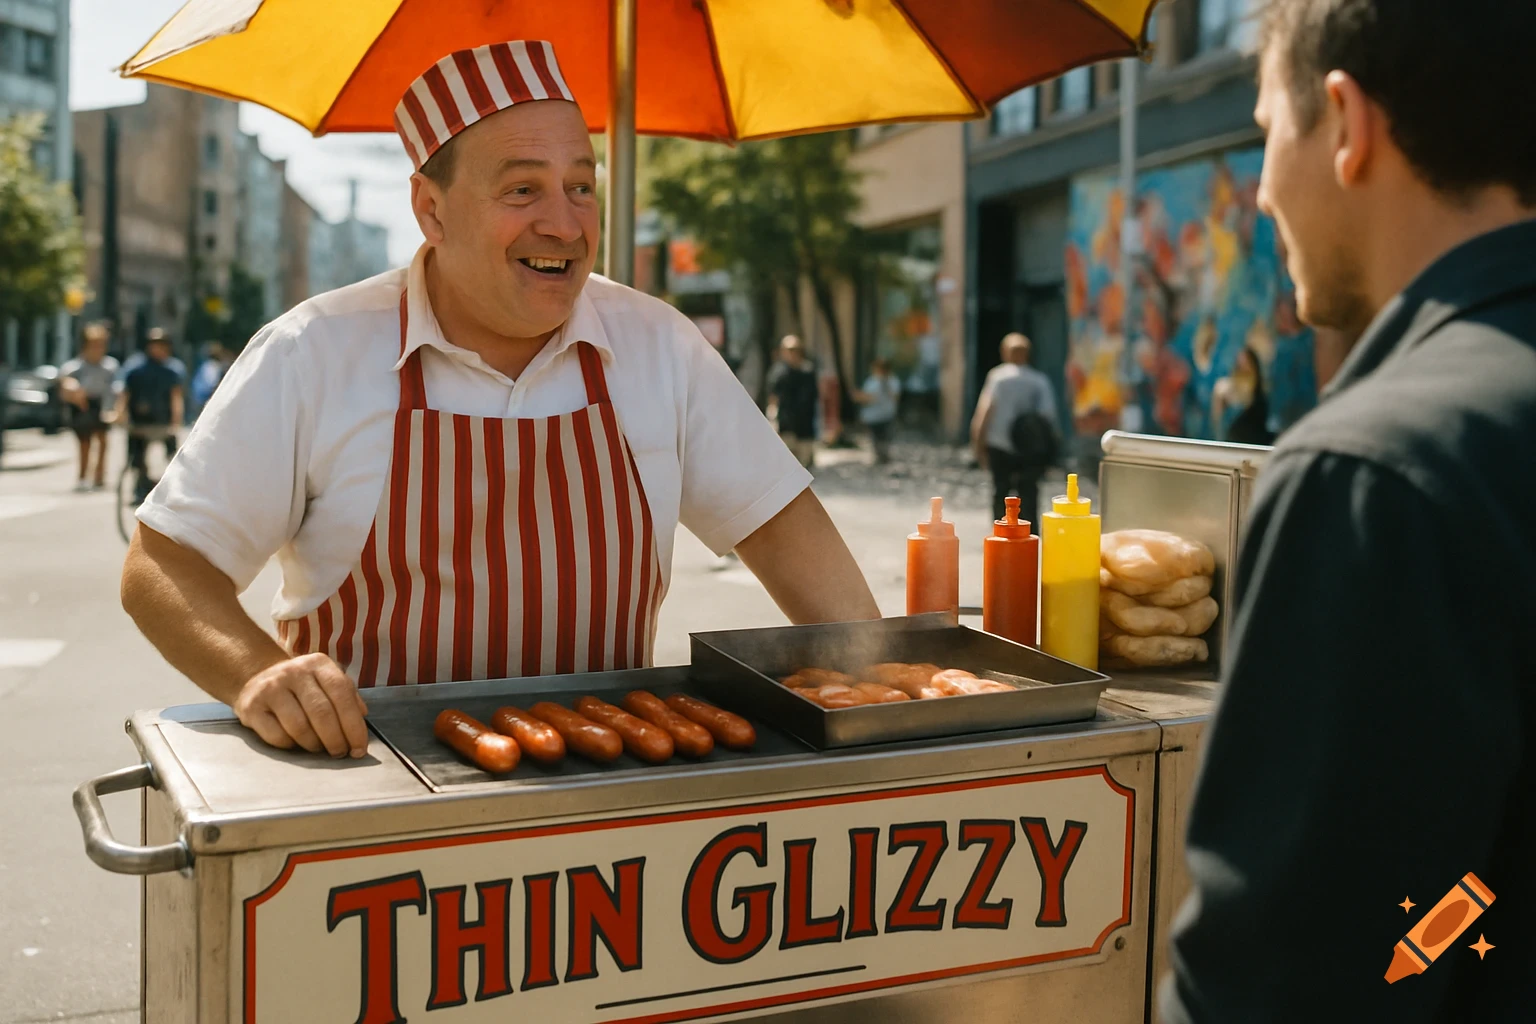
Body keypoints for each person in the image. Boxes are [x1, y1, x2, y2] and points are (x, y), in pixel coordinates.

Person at [120, 41, 880, 760]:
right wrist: (255, 672)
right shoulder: (314, 352)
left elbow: (790, 540)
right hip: (365, 803)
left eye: (581, 186)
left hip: (607, 797)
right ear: (431, 210)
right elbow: (165, 566)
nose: (564, 222)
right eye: (523, 189)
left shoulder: (659, 347)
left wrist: (893, 698)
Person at [1161, 2, 1536, 1021]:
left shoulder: (1377, 473)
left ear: (1344, 124)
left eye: (1262, 132)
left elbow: (1285, 983)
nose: (1261, 191)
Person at [970, 332, 1060, 525]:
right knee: (1029, 494)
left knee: (1000, 492)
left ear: (1004, 352)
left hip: (999, 445)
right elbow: (1048, 418)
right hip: (1029, 449)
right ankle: (1029, 538)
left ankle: (1000, 535)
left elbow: (984, 412)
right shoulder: (1039, 381)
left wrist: (978, 444)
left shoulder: (997, 377)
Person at [116, 331, 185, 504]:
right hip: (139, 421)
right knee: (136, 456)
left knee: (172, 456)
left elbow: (176, 396)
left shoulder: (172, 369)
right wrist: (120, 414)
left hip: (163, 421)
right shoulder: (135, 367)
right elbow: (125, 393)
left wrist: (176, 421)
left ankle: (176, 488)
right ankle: (140, 486)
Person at [59, 322, 121, 492]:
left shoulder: (110, 366)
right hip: (83, 405)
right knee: (84, 443)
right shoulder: (75, 366)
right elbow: (65, 383)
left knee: (102, 440)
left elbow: (115, 388)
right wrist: (72, 390)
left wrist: (115, 409)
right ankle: (82, 476)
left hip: (102, 404)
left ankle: (99, 475)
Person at [767, 335, 819, 470]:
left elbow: (815, 397)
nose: (791, 353)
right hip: (786, 424)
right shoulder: (778, 372)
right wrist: (772, 419)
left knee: (805, 464)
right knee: (788, 466)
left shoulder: (808, 371)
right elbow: (773, 397)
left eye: (794, 350)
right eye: (788, 350)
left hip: (805, 426)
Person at [1209, 345, 1275, 445]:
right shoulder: (1225, 388)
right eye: (1240, 364)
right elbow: (1218, 420)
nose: (1244, 366)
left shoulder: (1261, 391)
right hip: (1232, 440)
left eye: (1247, 363)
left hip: (1254, 442)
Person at [855, 357, 901, 464]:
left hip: (880, 414)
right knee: (880, 436)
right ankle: (881, 454)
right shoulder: (879, 381)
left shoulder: (880, 382)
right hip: (880, 415)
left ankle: (882, 455)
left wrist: (859, 396)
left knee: (880, 436)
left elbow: (870, 398)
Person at [189, 342, 230, 420]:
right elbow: (211, 383)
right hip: (205, 398)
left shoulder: (204, 365)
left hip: (197, 397)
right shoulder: (213, 366)